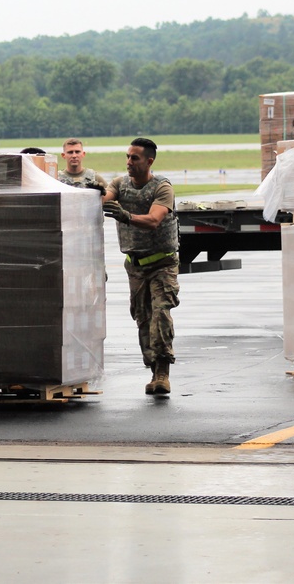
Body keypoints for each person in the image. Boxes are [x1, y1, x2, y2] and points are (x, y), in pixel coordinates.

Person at [101, 137, 180, 395]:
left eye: (134, 158)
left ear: (149, 161)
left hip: (162, 263)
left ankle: (162, 373)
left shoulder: (162, 187)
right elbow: (106, 199)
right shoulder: (120, 184)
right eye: (127, 157)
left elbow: (154, 220)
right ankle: (152, 368)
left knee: (161, 314)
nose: (129, 162)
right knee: (142, 318)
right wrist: (95, 192)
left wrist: (126, 216)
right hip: (135, 265)